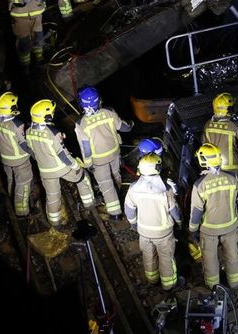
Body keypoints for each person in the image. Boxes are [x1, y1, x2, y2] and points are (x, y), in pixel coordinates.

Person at [188, 143, 238, 289]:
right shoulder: (232, 177)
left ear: (203, 161)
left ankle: (213, 285)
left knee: (210, 258)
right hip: (230, 227)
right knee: (232, 256)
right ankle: (234, 282)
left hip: (208, 230)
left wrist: (192, 230)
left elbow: (196, 211)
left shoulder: (199, 184)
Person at [26, 98, 93, 228]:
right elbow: (63, 155)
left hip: (45, 171)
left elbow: (32, 151)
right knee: (83, 177)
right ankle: (89, 204)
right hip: (62, 168)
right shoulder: (53, 133)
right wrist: (76, 166)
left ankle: (55, 223)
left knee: (52, 196)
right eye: (51, 112)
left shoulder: (28, 132)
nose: (52, 114)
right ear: (46, 116)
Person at [124, 152, 182, 292]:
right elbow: (174, 211)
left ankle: (152, 280)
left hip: (144, 233)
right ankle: (168, 285)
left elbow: (129, 209)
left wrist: (133, 224)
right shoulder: (165, 190)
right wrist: (180, 222)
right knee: (166, 259)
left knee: (148, 257)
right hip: (163, 234)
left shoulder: (133, 188)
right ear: (158, 168)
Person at [75, 86, 133, 220]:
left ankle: (115, 213)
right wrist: (131, 124)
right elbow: (124, 127)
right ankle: (118, 195)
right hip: (114, 154)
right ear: (99, 100)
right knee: (116, 175)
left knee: (106, 184)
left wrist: (88, 164)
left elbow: (86, 148)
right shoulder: (109, 112)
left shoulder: (81, 124)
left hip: (98, 160)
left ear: (81, 104)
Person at [0, 91, 34, 219]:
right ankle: (22, 212)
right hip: (20, 161)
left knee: (11, 180)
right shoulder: (17, 125)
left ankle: (12, 197)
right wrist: (36, 155)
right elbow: (24, 144)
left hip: (5, 159)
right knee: (23, 184)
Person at [201, 92, 238, 181]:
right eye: (231, 107)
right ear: (226, 109)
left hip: (213, 169)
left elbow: (203, 144)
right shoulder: (236, 126)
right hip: (233, 170)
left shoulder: (207, 125)